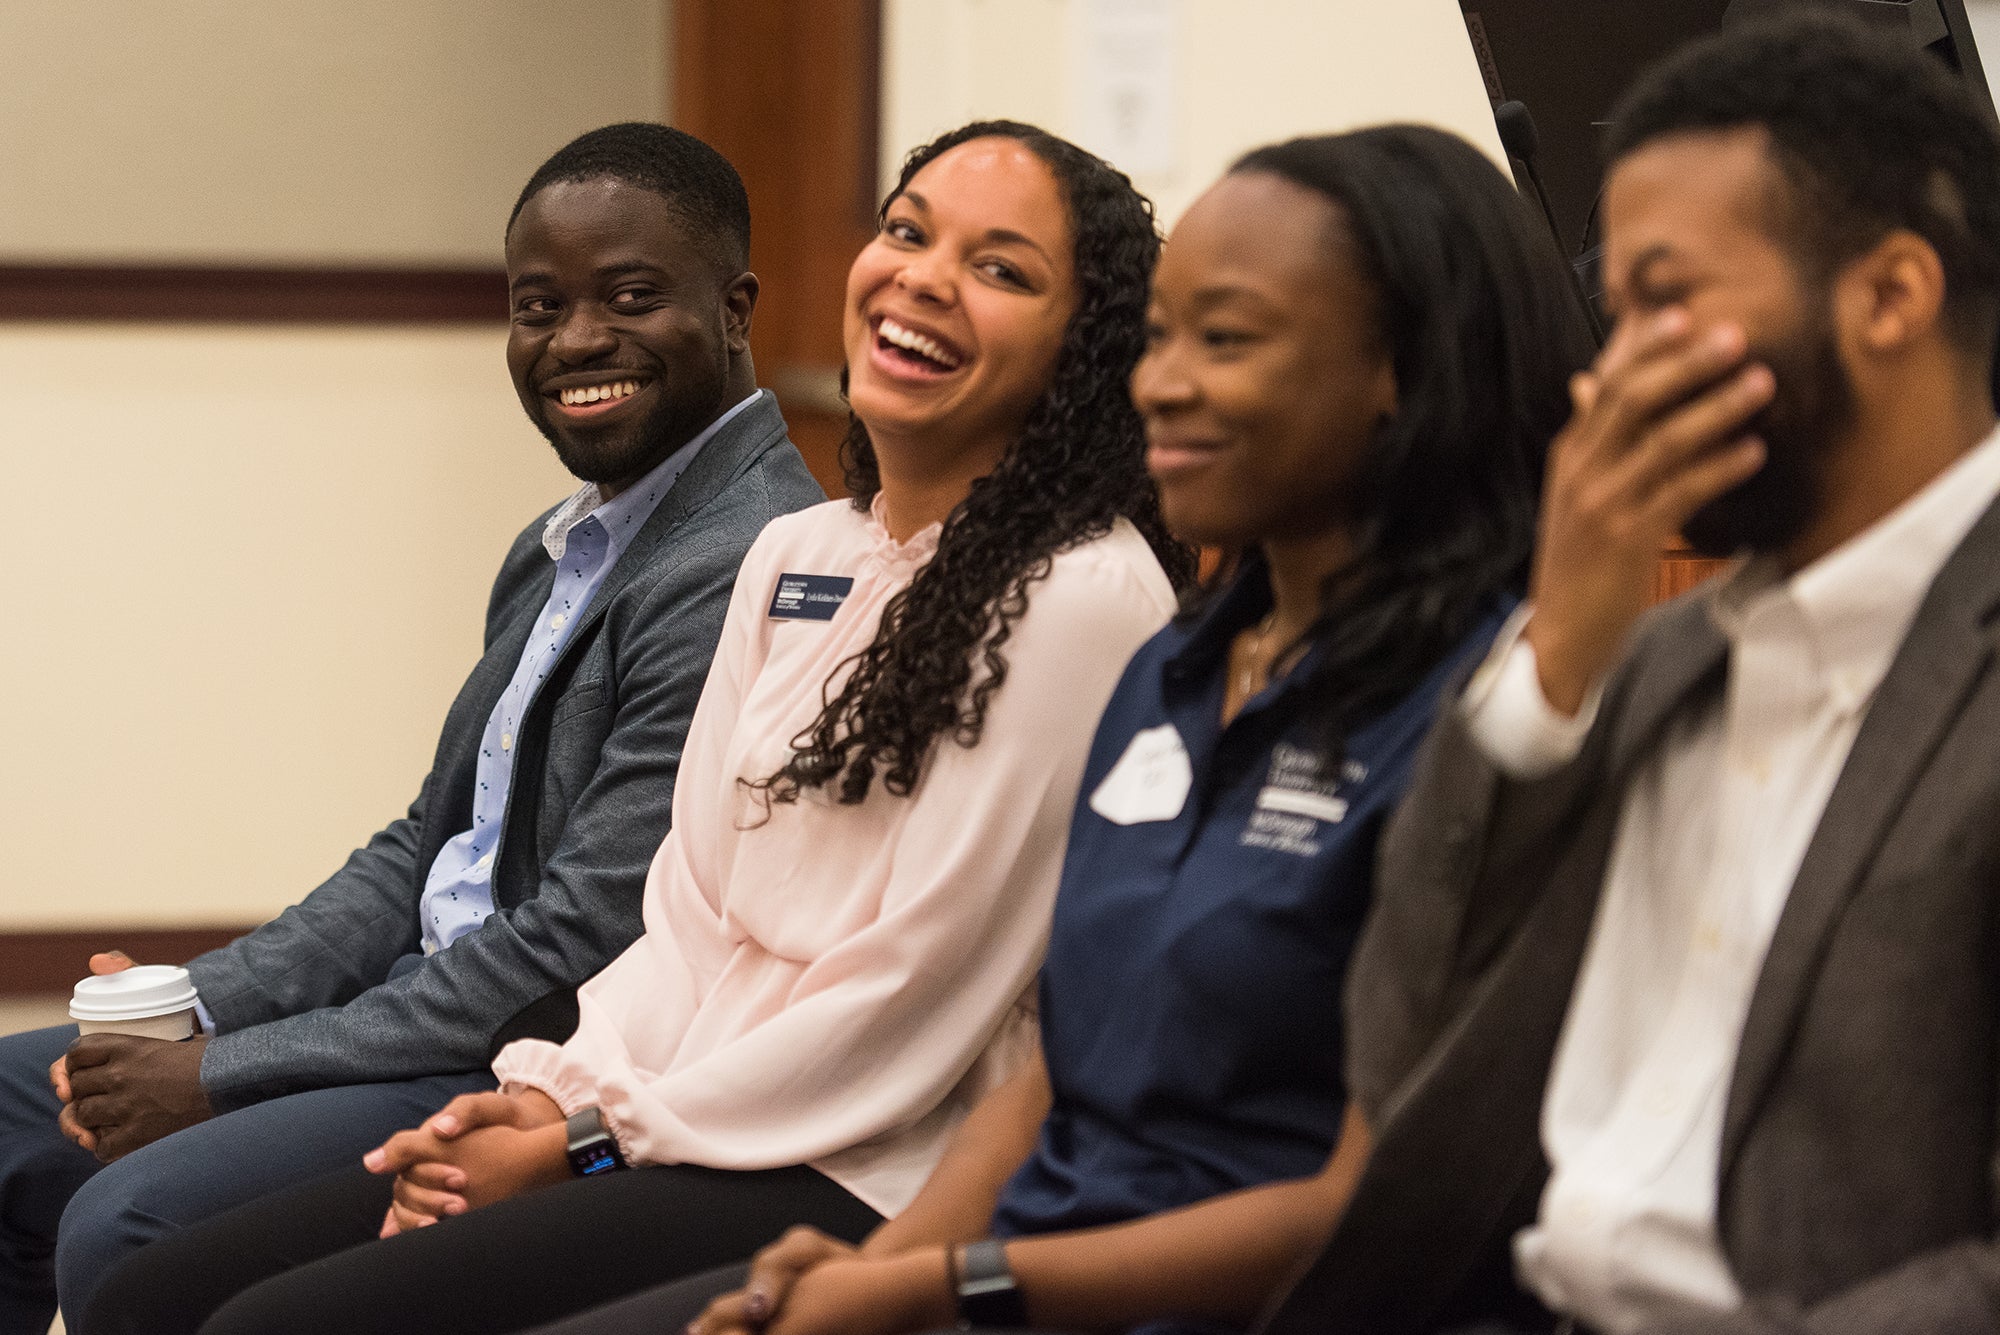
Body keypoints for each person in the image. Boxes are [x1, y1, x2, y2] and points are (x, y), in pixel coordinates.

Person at [468, 122, 1594, 1335]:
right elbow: (1057, 1051)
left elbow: (1374, 1206)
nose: (1158, 382)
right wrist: (877, 1272)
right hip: (996, 1233)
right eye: (1161, 338)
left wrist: (930, 1280)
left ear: (1402, 379)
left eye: (1226, 341)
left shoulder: (1465, 709)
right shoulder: (1191, 663)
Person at [79, 119, 1193, 1335]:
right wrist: (543, 1098)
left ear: (1081, 347)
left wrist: (594, 1143)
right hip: (665, 1117)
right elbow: (687, 913)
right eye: (907, 230)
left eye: (1000, 268)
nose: (921, 275)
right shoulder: (800, 552)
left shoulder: (1079, 593)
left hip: (859, 1168)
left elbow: (912, 995)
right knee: (155, 1294)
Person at [0, 121, 826, 1334]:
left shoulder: (747, 559)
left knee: (129, 1221)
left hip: (523, 1057)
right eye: (538, 305)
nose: (577, 339)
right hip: (422, 1002)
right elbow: (429, 848)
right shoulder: (563, 541)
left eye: (631, 296)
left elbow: (582, 938)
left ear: (737, 304)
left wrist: (215, 1072)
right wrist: (204, 1003)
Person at [1258, 14, 2000, 1335]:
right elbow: (1399, 1049)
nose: (1607, 372)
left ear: (1891, 296)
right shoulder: (1662, 649)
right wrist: (1551, 658)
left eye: (1668, 299)